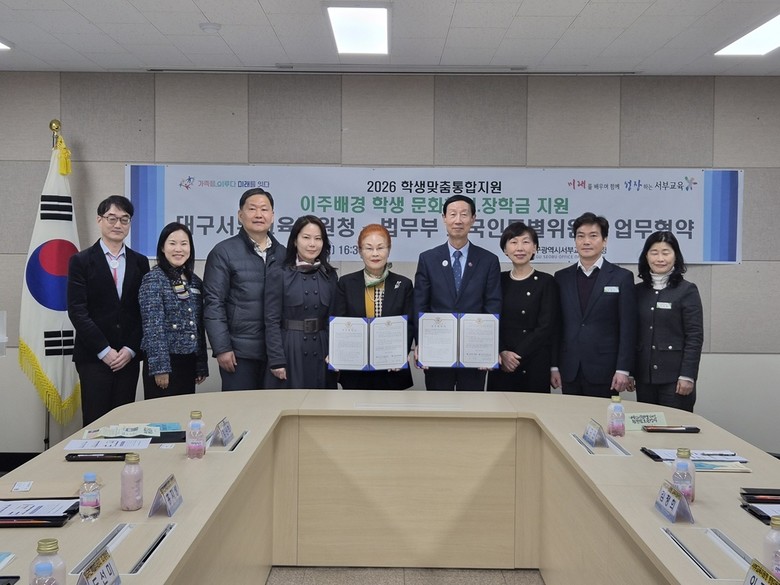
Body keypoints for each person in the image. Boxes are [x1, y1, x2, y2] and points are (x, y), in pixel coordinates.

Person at [67, 195, 150, 426]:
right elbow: (77, 311)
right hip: (93, 357)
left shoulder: (140, 262)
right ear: (99, 220)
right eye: (112, 218)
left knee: (123, 423)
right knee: (95, 423)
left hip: (127, 357)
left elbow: (144, 311)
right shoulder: (81, 261)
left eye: (124, 219)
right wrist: (104, 350)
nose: (118, 224)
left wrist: (131, 349)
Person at [413, 194, 502, 391]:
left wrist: (489, 347)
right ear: (444, 218)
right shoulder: (428, 259)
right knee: (438, 406)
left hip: (475, 351)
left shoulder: (488, 260)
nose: (458, 220)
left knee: (471, 406)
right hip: (437, 350)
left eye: (464, 214)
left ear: (473, 219)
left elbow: (492, 305)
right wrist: (422, 344)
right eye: (452, 214)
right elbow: (420, 304)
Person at [203, 188, 285, 391]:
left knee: (274, 407)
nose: (259, 214)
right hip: (239, 353)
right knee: (240, 408)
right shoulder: (223, 252)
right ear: (240, 215)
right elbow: (213, 303)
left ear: (272, 216)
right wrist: (222, 348)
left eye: (264, 209)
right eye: (252, 209)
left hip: (275, 353)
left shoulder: (284, 254)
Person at [551, 212, 636, 398]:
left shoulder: (621, 277)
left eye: (593, 236)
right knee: (570, 415)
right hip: (570, 368)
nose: (586, 241)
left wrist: (623, 368)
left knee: (602, 416)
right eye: (580, 236)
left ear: (604, 241)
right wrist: (554, 366)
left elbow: (628, 327)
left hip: (606, 369)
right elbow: (557, 325)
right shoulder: (561, 277)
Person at [334, 224, 414, 390]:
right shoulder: (346, 283)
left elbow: (410, 325)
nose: (375, 254)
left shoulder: (404, 284)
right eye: (369, 248)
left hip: (392, 369)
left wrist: (399, 354)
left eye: (380, 248)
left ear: (389, 250)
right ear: (360, 251)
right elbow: (338, 323)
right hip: (356, 369)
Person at [265, 215, 339, 389]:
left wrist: (335, 353)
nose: (312, 244)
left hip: (321, 348)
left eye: (318, 238)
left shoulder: (329, 275)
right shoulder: (280, 273)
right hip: (290, 348)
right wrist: (276, 359)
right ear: (295, 241)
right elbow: (271, 320)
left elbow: (334, 320)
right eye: (306, 237)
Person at [633, 231, 703, 412]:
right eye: (654, 253)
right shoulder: (637, 291)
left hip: (675, 380)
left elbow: (694, 336)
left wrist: (688, 375)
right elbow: (631, 333)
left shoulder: (687, 290)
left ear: (675, 256)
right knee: (646, 427)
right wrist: (630, 371)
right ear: (646, 256)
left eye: (666, 252)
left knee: (674, 428)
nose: (660, 258)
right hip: (644, 378)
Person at [139, 222, 208, 400]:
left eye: (184, 244)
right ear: (163, 248)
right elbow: (153, 327)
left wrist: (201, 363)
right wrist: (160, 368)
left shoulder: (195, 281)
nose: (179, 249)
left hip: (189, 361)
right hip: (165, 362)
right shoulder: (153, 279)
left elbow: (198, 325)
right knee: (163, 415)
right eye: (172, 243)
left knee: (184, 413)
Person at [487, 222, 557, 392]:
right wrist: (502, 351)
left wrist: (516, 355)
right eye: (513, 242)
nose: (520, 248)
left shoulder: (546, 281)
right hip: (501, 361)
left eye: (526, 242)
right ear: (505, 249)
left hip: (534, 361)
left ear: (535, 248)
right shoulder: (498, 280)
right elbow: (489, 319)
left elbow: (546, 326)